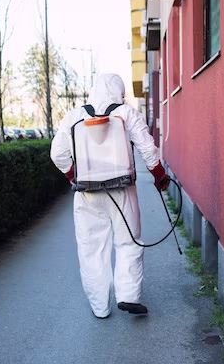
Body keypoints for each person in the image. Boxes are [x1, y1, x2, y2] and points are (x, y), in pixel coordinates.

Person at [50, 73, 170, 319]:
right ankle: (128, 295)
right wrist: (159, 176)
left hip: (87, 194)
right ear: (119, 92)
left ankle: (100, 307)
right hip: (123, 190)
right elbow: (147, 147)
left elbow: (57, 154)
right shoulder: (126, 113)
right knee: (129, 242)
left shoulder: (74, 116)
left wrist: (73, 176)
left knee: (91, 248)